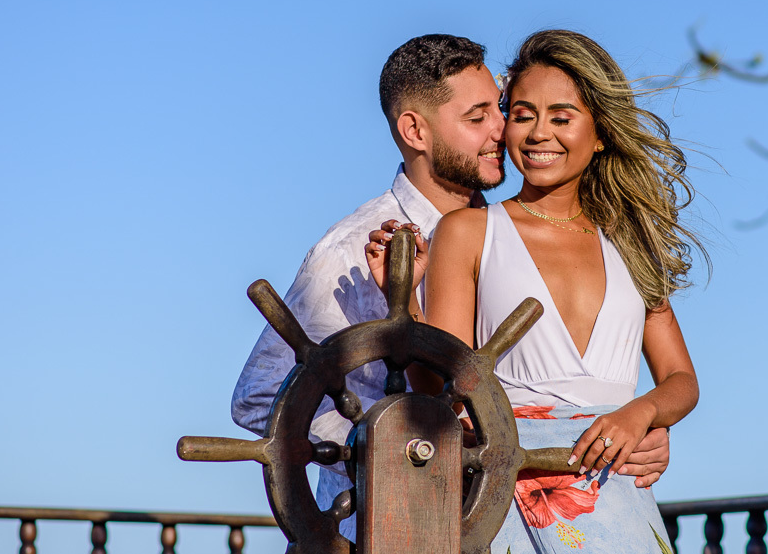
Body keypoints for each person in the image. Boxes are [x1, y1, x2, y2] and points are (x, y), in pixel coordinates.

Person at [231, 33, 672, 542]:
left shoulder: (496, 236)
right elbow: (259, 396)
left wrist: (632, 426)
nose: (502, 130)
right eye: (477, 117)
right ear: (415, 130)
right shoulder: (350, 250)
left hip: (495, 518)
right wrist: (399, 439)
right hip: (371, 532)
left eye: (501, 110)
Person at [367, 29, 705, 553]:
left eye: (562, 118)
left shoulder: (632, 242)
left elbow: (681, 379)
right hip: (503, 495)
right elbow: (442, 390)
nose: (538, 133)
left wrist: (642, 414)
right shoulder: (468, 233)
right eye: (522, 115)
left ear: (599, 134)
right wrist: (406, 302)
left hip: (617, 497)